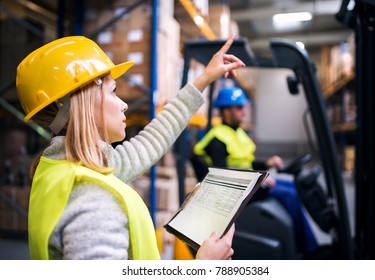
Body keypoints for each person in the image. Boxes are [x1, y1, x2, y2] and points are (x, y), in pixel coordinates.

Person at [16, 34, 245, 260]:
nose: (124, 105)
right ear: (83, 101)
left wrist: (203, 79)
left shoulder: (62, 169)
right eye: (113, 92)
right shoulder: (92, 198)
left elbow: (151, 141)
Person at [193, 86, 319, 255]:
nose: (243, 112)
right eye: (238, 108)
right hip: (233, 194)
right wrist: (259, 180)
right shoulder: (217, 139)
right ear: (226, 111)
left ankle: (303, 244)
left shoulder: (237, 133)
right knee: (289, 195)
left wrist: (267, 162)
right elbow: (222, 176)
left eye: (242, 107)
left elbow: (246, 163)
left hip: (246, 185)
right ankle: (309, 249)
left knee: (292, 187)